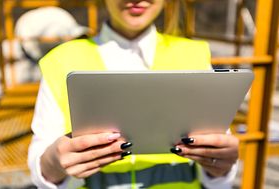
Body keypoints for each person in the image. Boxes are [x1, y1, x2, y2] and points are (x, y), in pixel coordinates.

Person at [28, 0, 239, 188]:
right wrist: (54, 163)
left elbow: (217, 169)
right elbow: (42, 163)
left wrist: (221, 167)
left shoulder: (194, 56)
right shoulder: (61, 61)